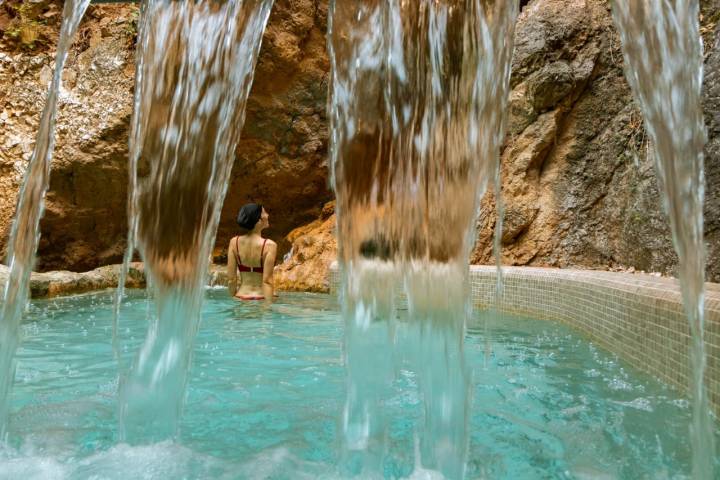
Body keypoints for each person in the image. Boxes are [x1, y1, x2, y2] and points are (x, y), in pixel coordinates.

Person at [227, 203, 277, 302]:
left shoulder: (234, 242)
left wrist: (233, 299)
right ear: (258, 221)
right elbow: (267, 281)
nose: (267, 215)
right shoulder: (270, 245)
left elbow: (231, 279)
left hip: (240, 297)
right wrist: (268, 307)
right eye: (264, 212)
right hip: (261, 297)